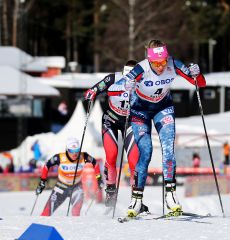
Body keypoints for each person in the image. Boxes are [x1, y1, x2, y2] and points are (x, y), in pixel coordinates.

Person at [114, 39, 206, 217]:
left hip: (163, 109)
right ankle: (137, 199)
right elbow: (122, 85)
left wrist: (197, 74)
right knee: (146, 151)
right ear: (149, 60)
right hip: (140, 111)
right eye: (156, 63)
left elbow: (199, 84)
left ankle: (170, 196)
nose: (160, 67)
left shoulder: (173, 64)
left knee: (168, 149)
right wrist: (128, 85)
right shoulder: (141, 68)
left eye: (163, 61)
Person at [84, 60, 141, 208]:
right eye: (127, 75)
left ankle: (136, 198)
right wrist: (91, 93)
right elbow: (97, 88)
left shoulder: (143, 80)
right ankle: (110, 189)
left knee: (134, 161)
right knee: (112, 155)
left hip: (131, 121)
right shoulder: (113, 78)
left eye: (133, 76)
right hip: (111, 120)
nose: (130, 79)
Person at [35, 138, 104, 216]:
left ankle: (74, 227)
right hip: (61, 187)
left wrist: (99, 179)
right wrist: (42, 181)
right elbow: (46, 166)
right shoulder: (59, 157)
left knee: (76, 212)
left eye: (77, 150)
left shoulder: (84, 156)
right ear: (67, 150)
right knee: (46, 213)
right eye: (71, 151)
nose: (75, 154)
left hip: (77, 187)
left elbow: (95, 163)